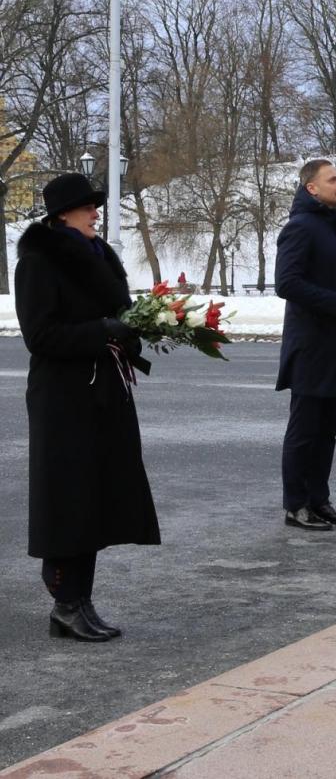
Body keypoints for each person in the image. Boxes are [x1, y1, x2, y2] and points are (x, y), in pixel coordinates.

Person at [15, 173, 158, 641]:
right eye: (87, 206)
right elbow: (41, 336)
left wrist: (140, 327)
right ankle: (65, 600)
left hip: (103, 391)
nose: (96, 212)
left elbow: (119, 315)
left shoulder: (99, 256)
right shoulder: (39, 262)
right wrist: (104, 330)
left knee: (96, 497)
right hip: (64, 397)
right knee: (69, 500)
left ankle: (81, 601)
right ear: (62, 215)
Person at [275, 159, 336, 530]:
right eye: (332, 179)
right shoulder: (300, 227)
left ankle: (318, 500)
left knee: (328, 429)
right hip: (312, 346)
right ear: (312, 187)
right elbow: (287, 283)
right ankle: (296, 505)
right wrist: (335, 301)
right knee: (305, 430)